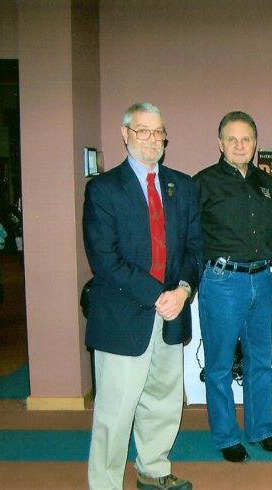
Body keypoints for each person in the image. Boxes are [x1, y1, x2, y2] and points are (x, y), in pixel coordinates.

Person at [83, 102, 203, 490]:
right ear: (125, 135)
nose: (152, 139)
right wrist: (159, 295)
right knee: (115, 412)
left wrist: (183, 290)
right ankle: (105, 484)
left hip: (171, 312)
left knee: (163, 402)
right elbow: (105, 259)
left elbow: (194, 248)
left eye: (158, 132)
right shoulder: (102, 189)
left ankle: (152, 470)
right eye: (142, 131)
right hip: (123, 314)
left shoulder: (181, 185)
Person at [193, 111, 272, 463]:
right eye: (232, 139)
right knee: (219, 366)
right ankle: (225, 436)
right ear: (220, 143)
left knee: (261, 361)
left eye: (246, 139)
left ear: (255, 144)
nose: (239, 145)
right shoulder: (202, 183)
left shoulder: (266, 184)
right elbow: (187, 234)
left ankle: (261, 430)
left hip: (262, 281)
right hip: (222, 282)